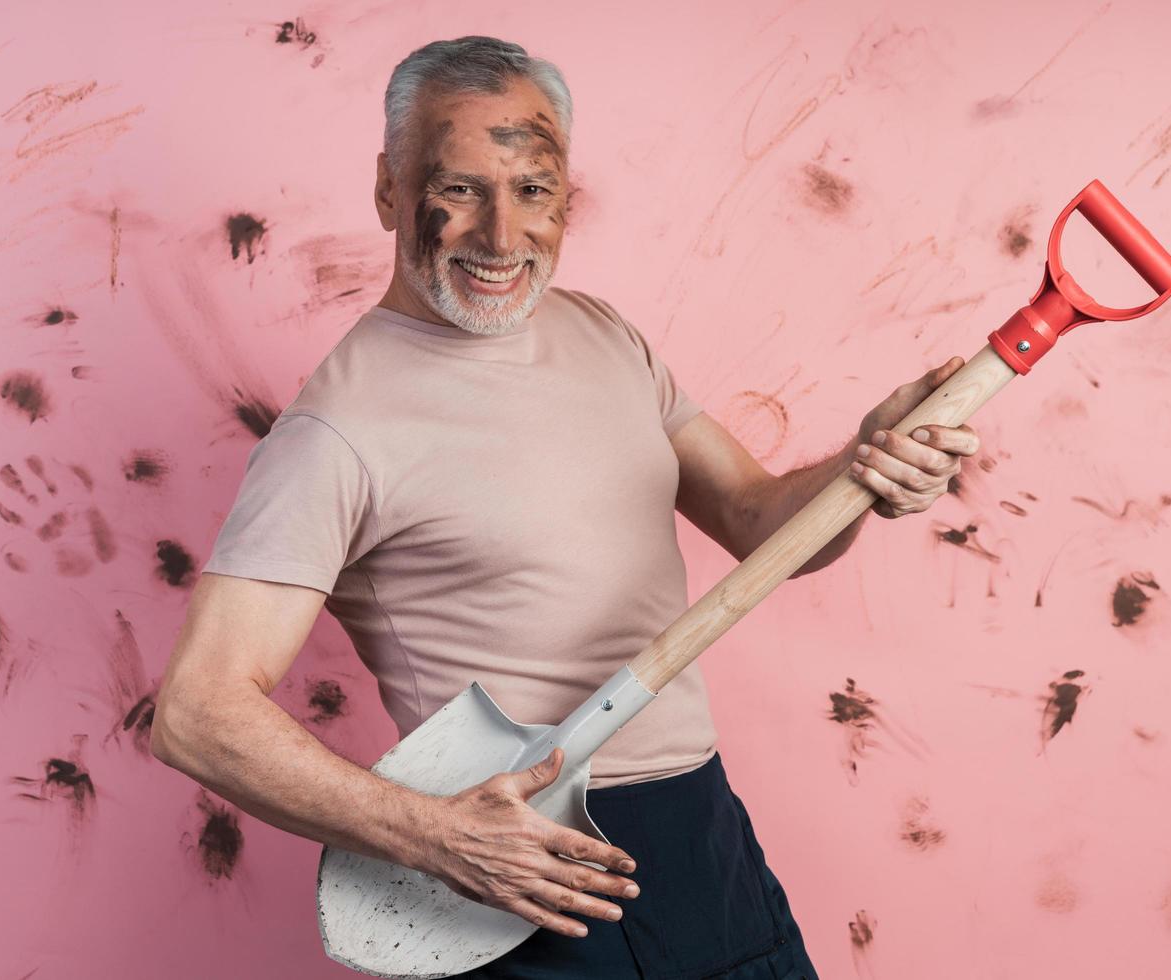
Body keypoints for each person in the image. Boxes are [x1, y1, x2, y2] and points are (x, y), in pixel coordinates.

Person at [151, 35, 979, 978]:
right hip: (526, 869)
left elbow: (757, 520)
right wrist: (434, 836)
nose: (502, 238)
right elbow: (195, 710)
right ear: (389, 189)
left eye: (533, 190)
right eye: (459, 189)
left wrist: (866, 467)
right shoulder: (337, 430)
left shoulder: (603, 335)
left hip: (705, 830)